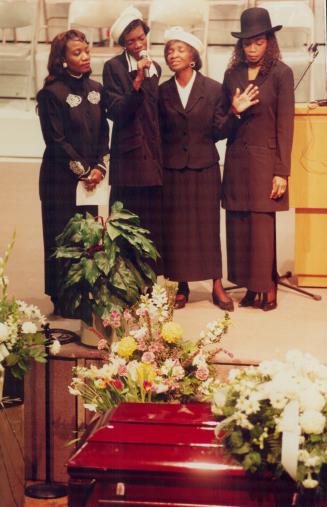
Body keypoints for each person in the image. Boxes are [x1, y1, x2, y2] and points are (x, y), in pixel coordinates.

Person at [159, 26, 258, 310]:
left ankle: (216, 285)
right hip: (172, 169)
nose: (173, 55)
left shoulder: (213, 89)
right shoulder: (162, 92)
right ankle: (180, 285)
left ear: (193, 56)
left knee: (208, 227)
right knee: (175, 229)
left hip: (204, 168)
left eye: (179, 49)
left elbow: (218, 130)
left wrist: (235, 112)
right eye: (169, 50)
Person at [221, 7, 295, 311]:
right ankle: (249, 287)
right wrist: (235, 109)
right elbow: (222, 122)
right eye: (247, 43)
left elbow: (285, 125)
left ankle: (268, 285)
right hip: (237, 159)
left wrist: (282, 171)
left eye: (259, 42)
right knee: (238, 225)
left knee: (261, 226)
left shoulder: (281, 73)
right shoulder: (231, 75)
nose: (252, 49)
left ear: (269, 42)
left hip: (266, 162)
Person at [37, 29, 109, 315]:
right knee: (62, 238)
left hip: (92, 180)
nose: (85, 56)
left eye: (86, 51)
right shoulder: (51, 94)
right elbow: (56, 141)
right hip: (60, 180)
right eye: (77, 53)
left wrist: (100, 168)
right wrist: (84, 171)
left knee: (87, 238)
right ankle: (63, 298)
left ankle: (84, 292)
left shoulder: (96, 90)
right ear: (62, 59)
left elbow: (104, 132)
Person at [102, 6, 163, 274]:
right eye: (131, 41)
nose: (138, 44)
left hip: (152, 155)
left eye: (141, 37)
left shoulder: (156, 67)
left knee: (151, 222)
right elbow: (116, 112)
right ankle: (125, 280)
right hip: (128, 158)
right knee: (125, 221)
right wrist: (137, 80)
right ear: (123, 45)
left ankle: (148, 283)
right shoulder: (112, 67)